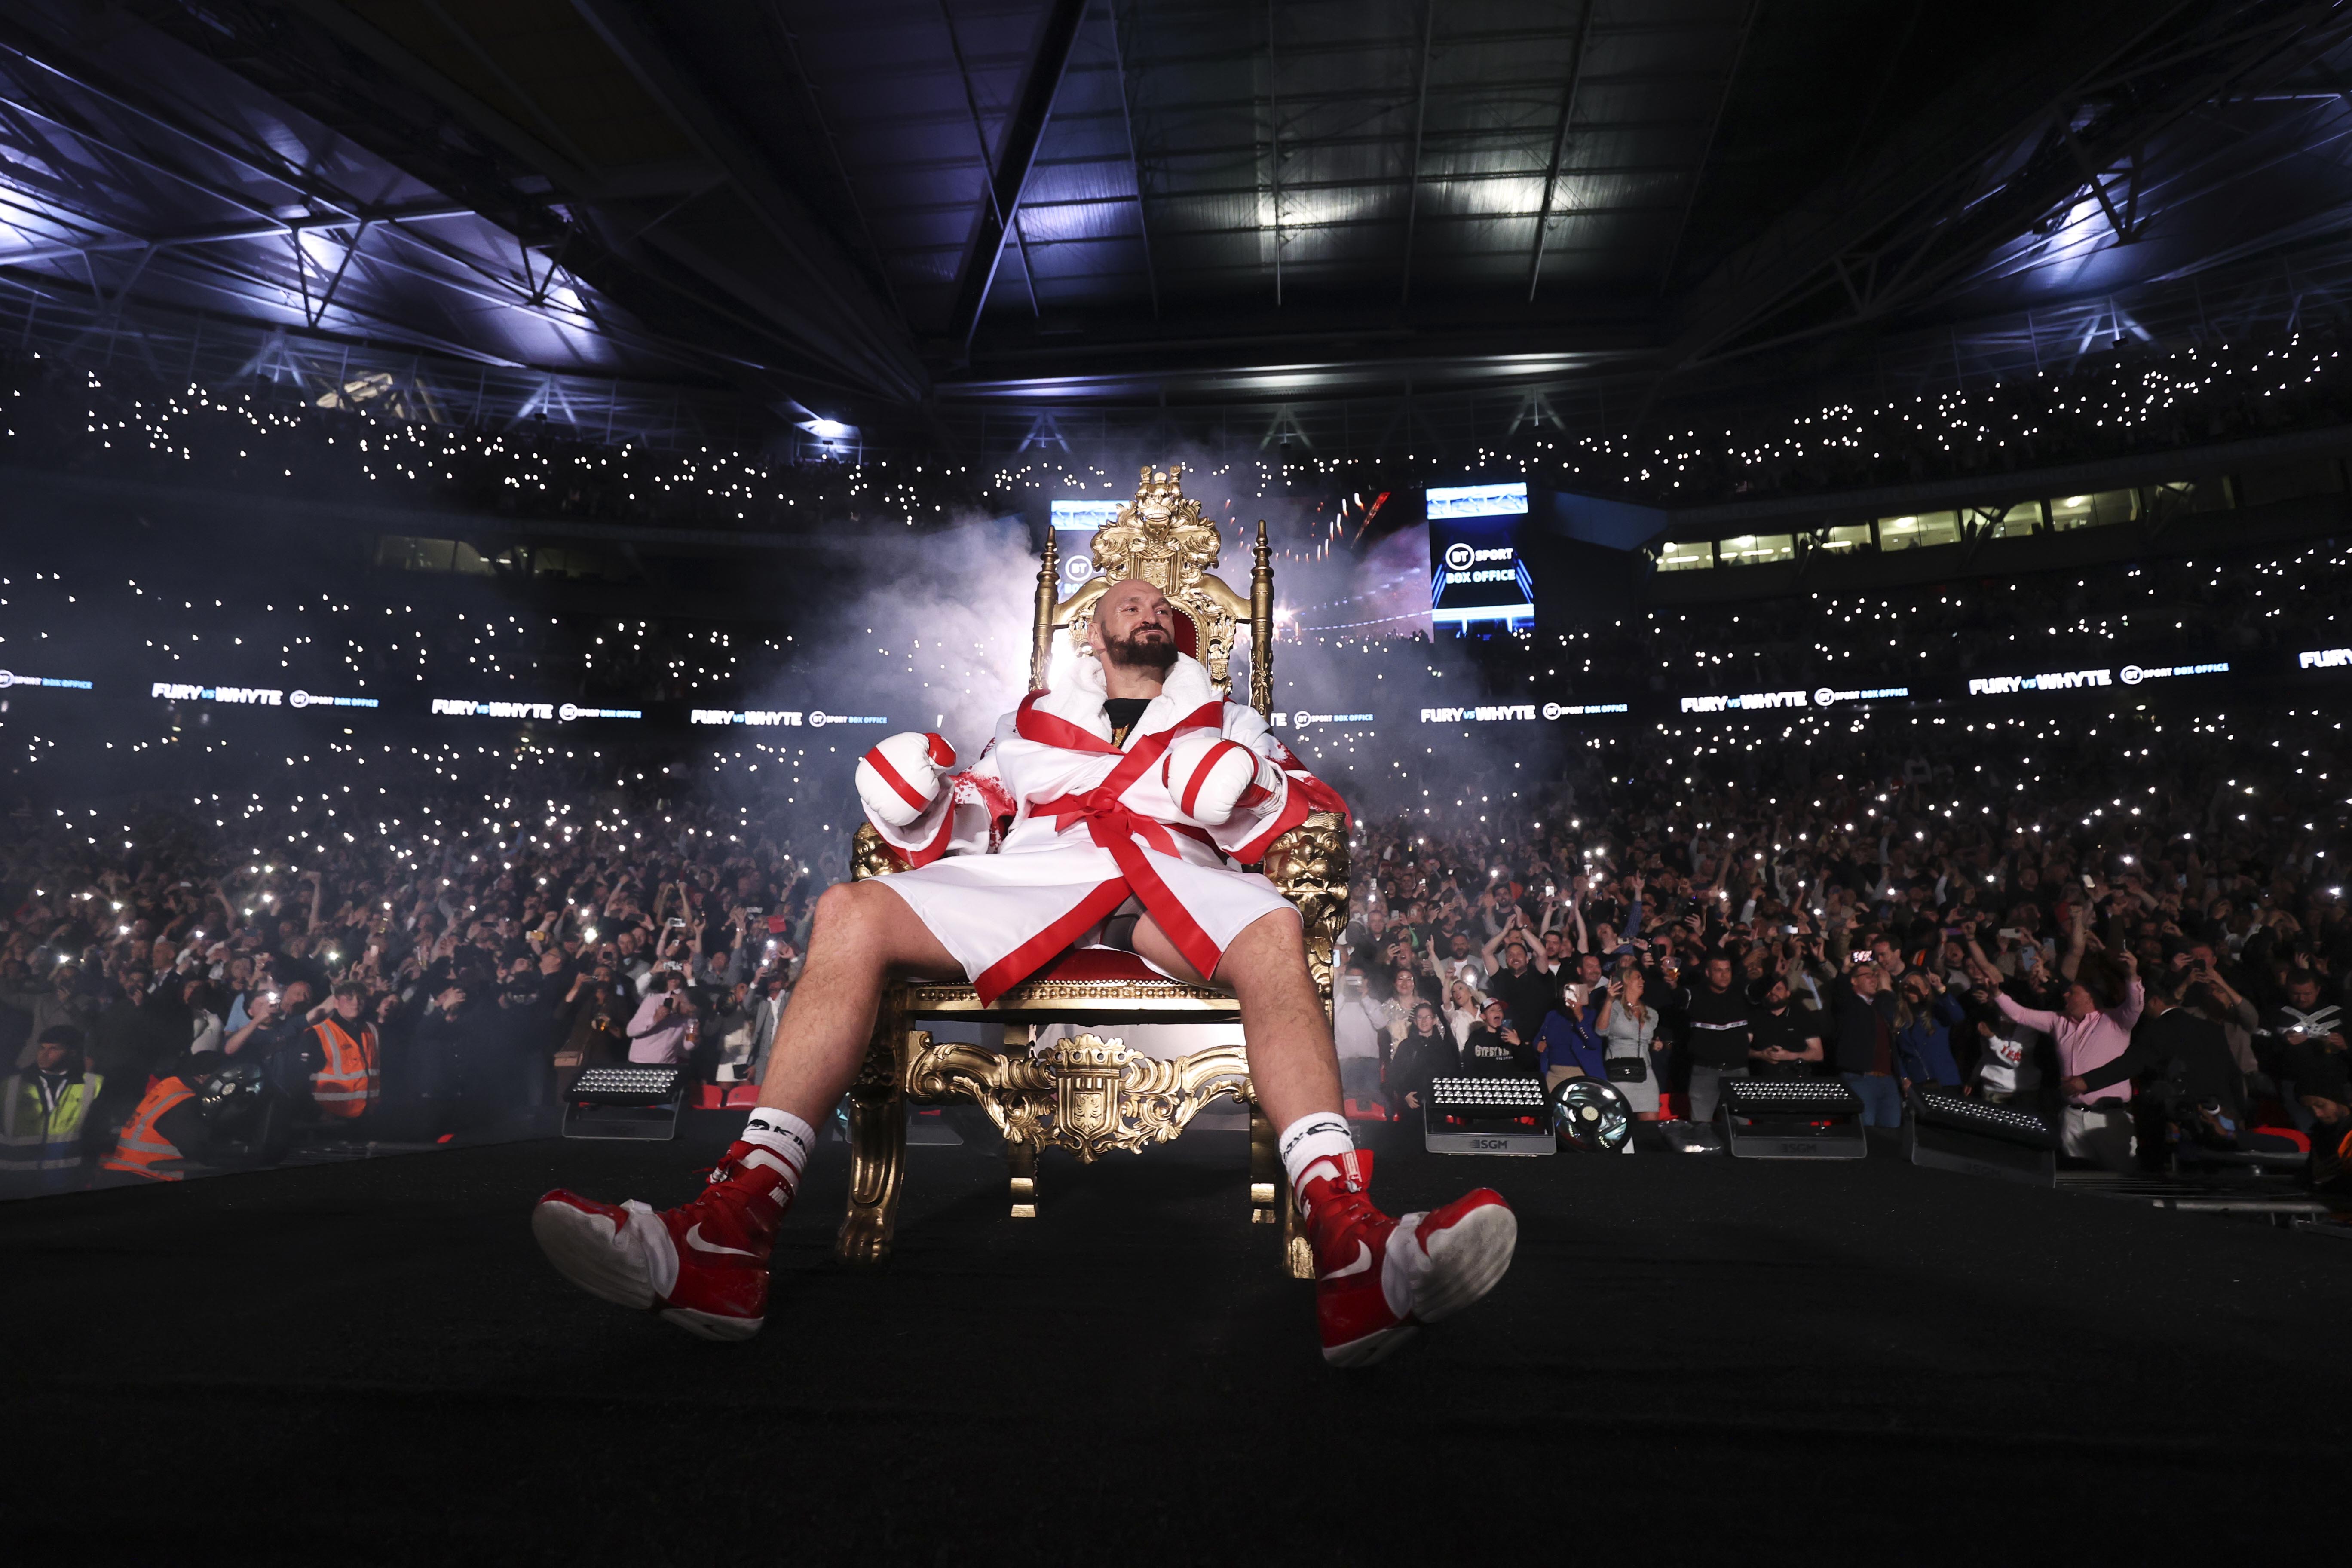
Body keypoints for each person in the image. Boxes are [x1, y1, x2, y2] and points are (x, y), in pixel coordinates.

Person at [533, 569, 1515, 1365]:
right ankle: (731, 1226)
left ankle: (1350, 1239)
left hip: (1171, 882)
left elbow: (1295, 804)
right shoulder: (1033, 719)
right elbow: (974, 809)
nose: (1147, 608)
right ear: (1092, 631)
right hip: (1038, 879)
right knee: (847, 910)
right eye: (1127, 601)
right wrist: (920, 794)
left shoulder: (1225, 717)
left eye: (1159, 605)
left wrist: (1239, 786)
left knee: (1274, 932)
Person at [1975, 945, 2144, 1172]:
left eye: (2072, 993)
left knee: (2122, 1177)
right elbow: (2021, 1014)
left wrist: (2132, 975)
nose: (2065, 995)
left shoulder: (2115, 1021)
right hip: (2072, 1116)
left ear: (2089, 999)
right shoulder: (2058, 1021)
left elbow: (2135, 1005)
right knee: (2078, 1179)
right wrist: (1997, 994)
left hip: (2109, 1119)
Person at [0, 1026, 104, 1194]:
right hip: (14, 1184)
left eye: (54, 1049)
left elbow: (98, 1133)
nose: (44, 1054)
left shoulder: (94, 1085)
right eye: (42, 1048)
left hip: (67, 1182)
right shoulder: (11, 1085)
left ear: (72, 1052)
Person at [1828, 957, 1903, 1128]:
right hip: (1861, 1079)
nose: (1873, 979)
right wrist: (1845, 970)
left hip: (1888, 1081)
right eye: (1867, 976)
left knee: (1892, 1133)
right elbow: (1840, 992)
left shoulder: (1879, 1006)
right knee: (1866, 1131)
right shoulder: (1848, 1005)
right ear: (1854, 981)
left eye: (1875, 976)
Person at [1678, 953, 1752, 1122]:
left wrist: (1775, 976)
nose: (1724, 975)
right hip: (1705, 1071)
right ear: (1708, 973)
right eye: (1719, 970)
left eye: (1728, 970)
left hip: (1738, 1071)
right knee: (1701, 1127)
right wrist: (1673, 985)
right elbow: (1678, 998)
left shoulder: (1740, 993)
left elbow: (1758, 991)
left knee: (1740, 1126)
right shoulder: (1695, 994)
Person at [1593, 969, 1662, 1118]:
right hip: (1619, 1073)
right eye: (1638, 978)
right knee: (1618, 1123)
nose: (1643, 981)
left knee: (1651, 1127)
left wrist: (1654, 1044)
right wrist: (1609, 1001)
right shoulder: (1614, 1007)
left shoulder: (1651, 1013)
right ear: (1626, 981)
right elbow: (1601, 1031)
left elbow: (1642, 1039)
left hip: (1645, 1073)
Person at [1461, 999, 1538, 1078]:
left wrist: (1518, 1043)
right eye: (1492, 1010)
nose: (1497, 1013)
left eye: (1500, 1010)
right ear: (1483, 1016)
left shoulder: (1512, 1034)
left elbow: (1531, 1065)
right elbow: (1468, 1067)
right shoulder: (1476, 1037)